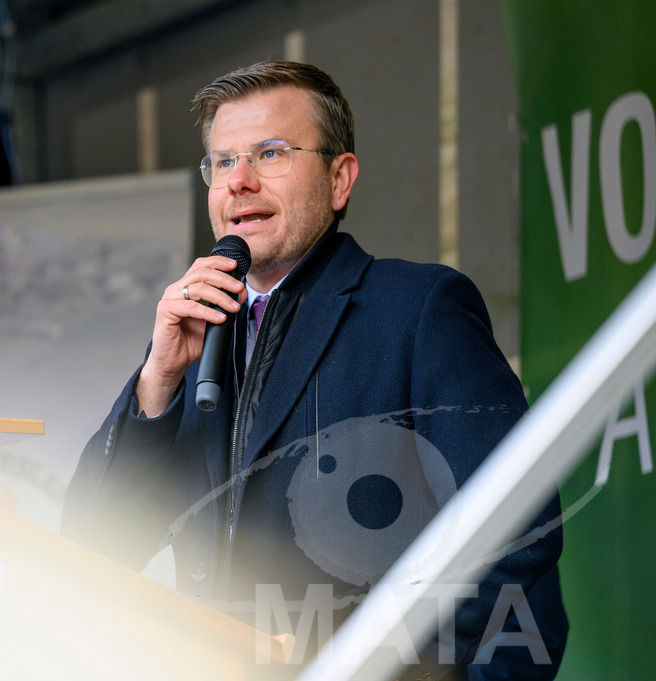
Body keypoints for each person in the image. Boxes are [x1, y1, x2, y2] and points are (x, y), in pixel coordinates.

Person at [62, 61, 566, 680]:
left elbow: (514, 538)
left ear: (339, 178)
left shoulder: (417, 310)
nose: (238, 182)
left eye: (269, 153)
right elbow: (89, 547)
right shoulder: (190, 346)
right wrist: (156, 384)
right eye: (221, 162)